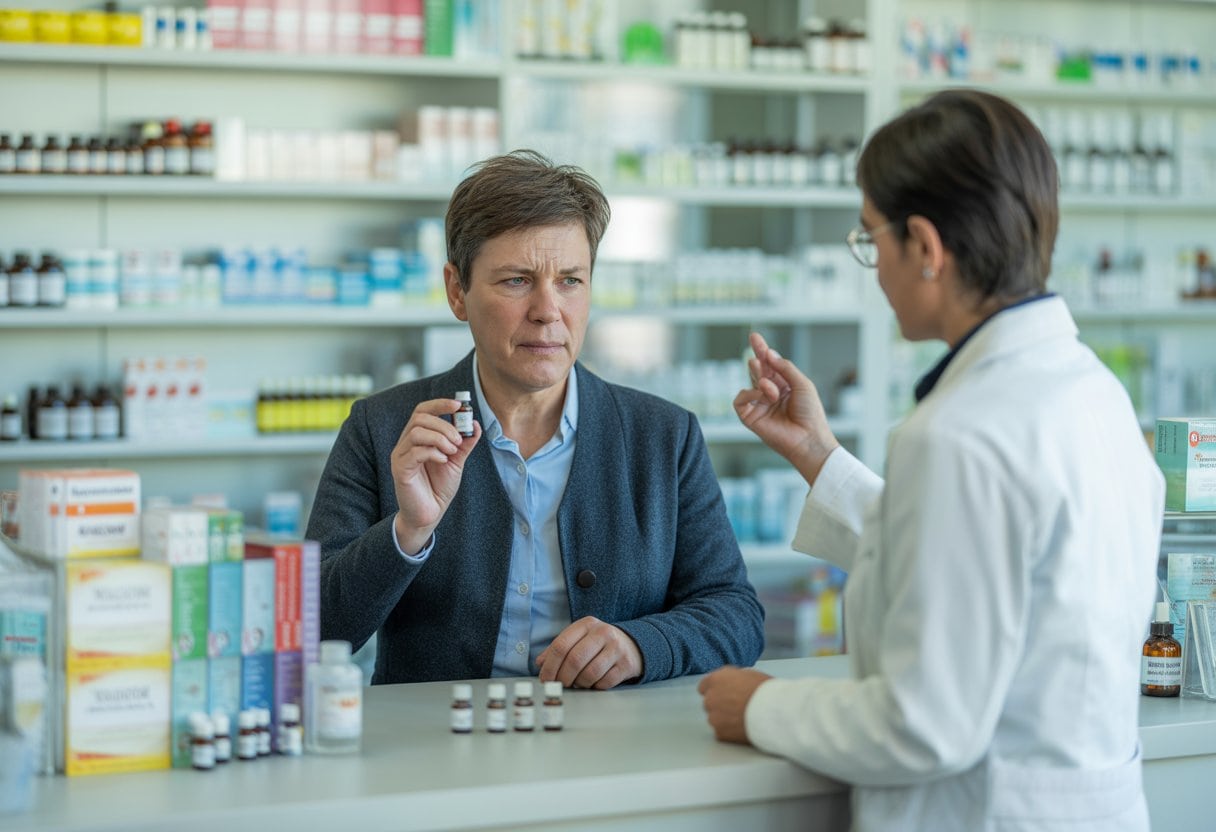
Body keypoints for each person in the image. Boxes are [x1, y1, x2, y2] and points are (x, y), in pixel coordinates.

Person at [698, 90, 1164, 831]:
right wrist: (820, 456)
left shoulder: (958, 433)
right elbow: (988, 564)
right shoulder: (1092, 394)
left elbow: (922, 724)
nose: (873, 265)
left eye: (870, 238)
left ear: (926, 245)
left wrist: (761, 704)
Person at [307, 149, 764, 690]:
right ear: (457, 291)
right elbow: (314, 629)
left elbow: (736, 615)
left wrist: (640, 645)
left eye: (570, 280)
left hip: (611, 743)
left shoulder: (663, 436)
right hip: (436, 745)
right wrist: (408, 532)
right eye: (517, 281)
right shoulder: (381, 428)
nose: (548, 310)